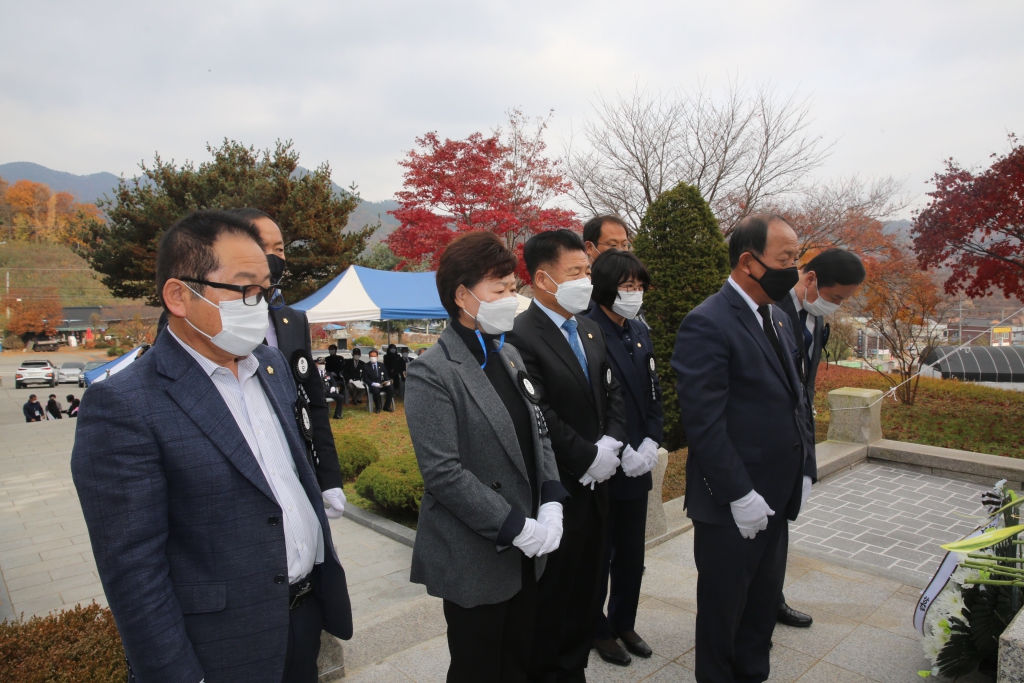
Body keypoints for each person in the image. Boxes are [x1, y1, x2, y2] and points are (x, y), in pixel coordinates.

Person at [71, 209, 353, 683]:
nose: (259, 304)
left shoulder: (270, 366)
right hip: (220, 648)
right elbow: (133, 572)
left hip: (303, 618)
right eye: (243, 289)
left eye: (264, 289)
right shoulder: (124, 404)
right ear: (179, 295)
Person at [406, 231, 569, 683]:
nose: (510, 298)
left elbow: (540, 435)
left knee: (519, 659)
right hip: (476, 553)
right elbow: (443, 473)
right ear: (463, 295)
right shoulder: (432, 372)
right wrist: (516, 526)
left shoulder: (509, 354)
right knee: (478, 668)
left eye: (512, 288)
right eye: (500, 290)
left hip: (527, 551)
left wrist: (552, 500)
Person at [671, 213, 815, 683]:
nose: (793, 269)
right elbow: (705, 425)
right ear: (749, 262)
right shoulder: (707, 322)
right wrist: (740, 494)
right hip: (732, 504)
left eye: (796, 257)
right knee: (723, 616)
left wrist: (805, 468)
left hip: (776, 494)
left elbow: (798, 399)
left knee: (759, 613)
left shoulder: (776, 314)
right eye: (785, 259)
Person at [507, 229, 628, 682]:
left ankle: (574, 668)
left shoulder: (590, 326)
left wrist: (611, 445)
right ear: (543, 279)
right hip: (558, 492)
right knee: (553, 601)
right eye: (576, 272)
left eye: (587, 271)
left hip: (600, 488)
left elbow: (613, 392)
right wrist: (586, 458)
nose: (587, 280)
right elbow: (539, 412)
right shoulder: (520, 336)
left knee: (589, 592)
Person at [229, 208, 347, 518]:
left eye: (279, 249)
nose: (272, 257)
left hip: (296, 469)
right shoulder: (205, 319)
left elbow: (313, 401)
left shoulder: (292, 320)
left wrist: (328, 477)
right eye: (260, 245)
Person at [774, 248, 866, 630]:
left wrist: (808, 462)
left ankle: (770, 599)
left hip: (795, 441)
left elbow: (806, 392)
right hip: (765, 443)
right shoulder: (770, 311)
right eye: (837, 297)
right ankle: (750, 609)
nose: (838, 306)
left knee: (779, 532)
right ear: (810, 279)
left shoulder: (815, 319)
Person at [586, 250, 663, 666]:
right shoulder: (587, 330)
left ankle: (624, 621)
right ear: (604, 288)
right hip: (605, 462)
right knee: (600, 554)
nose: (634, 294)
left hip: (638, 464)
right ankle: (596, 629)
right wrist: (621, 448)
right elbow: (588, 404)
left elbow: (653, 391)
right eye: (626, 286)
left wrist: (652, 439)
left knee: (633, 553)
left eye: (638, 286)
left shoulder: (638, 330)